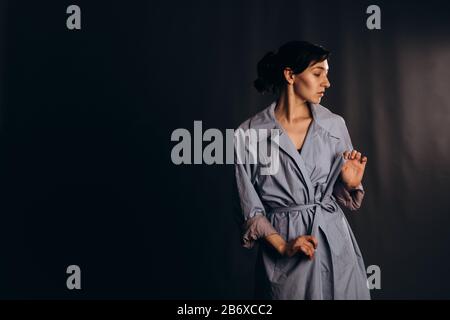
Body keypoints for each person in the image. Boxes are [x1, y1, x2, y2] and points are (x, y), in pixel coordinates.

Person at [233, 41, 370, 300]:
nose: (327, 82)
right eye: (318, 73)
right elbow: (248, 208)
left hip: (335, 245)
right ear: (290, 75)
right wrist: (283, 246)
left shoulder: (334, 125)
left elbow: (340, 193)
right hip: (285, 253)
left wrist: (348, 184)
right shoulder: (249, 134)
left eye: (326, 74)